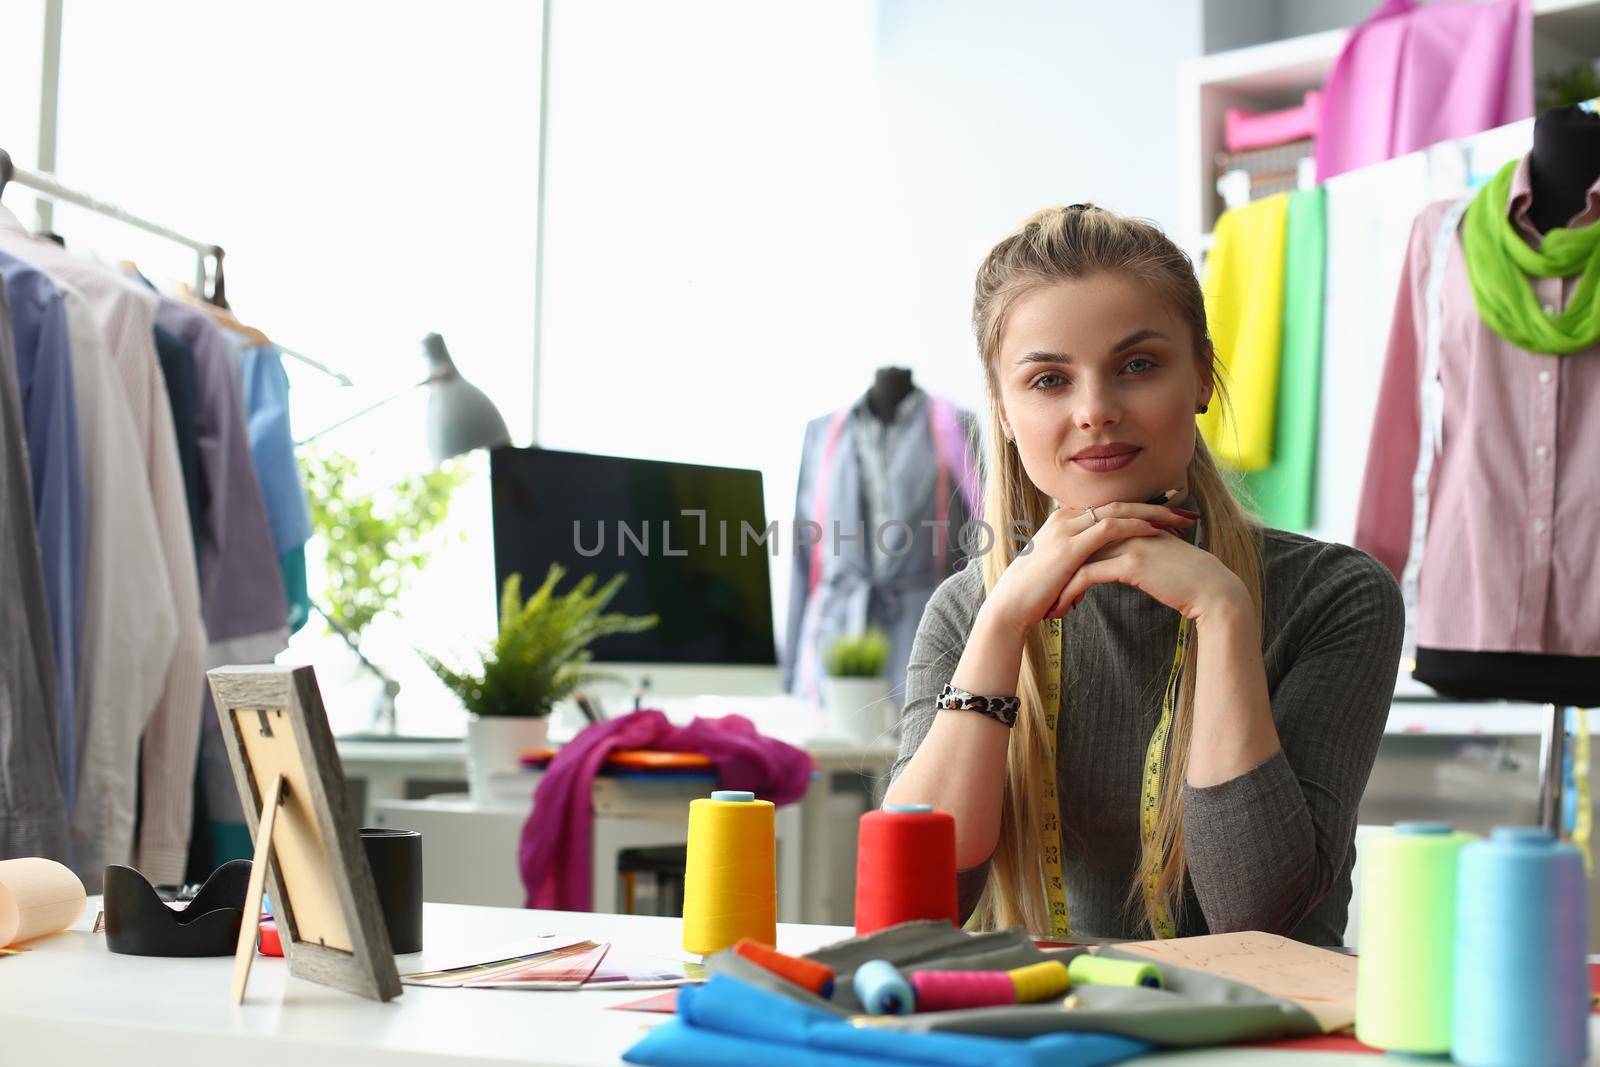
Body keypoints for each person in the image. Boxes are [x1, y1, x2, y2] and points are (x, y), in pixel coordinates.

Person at [883, 203, 1403, 946]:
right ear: (1002, 412)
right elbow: (907, 916)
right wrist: (999, 628)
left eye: (1136, 366)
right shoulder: (968, 609)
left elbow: (1258, 921)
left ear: (1201, 376)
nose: (1095, 411)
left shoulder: (1334, 596)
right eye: (1049, 380)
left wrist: (1223, 612)